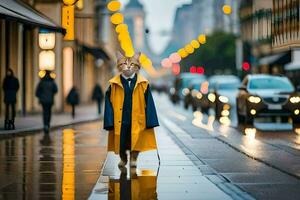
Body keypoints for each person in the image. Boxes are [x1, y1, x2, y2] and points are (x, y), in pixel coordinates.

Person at [103, 51, 159, 170]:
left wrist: (151, 121)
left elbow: (149, 103)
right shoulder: (113, 84)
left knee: (136, 140)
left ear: (137, 66)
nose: (128, 66)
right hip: (120, 119)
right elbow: (108, 103)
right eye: (124, 64)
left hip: (137, 118)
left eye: (132, 64)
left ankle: (134, 158)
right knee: (121, 141)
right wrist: (109, 121)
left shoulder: (143, 83)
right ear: (119, 65)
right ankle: (123, 159)